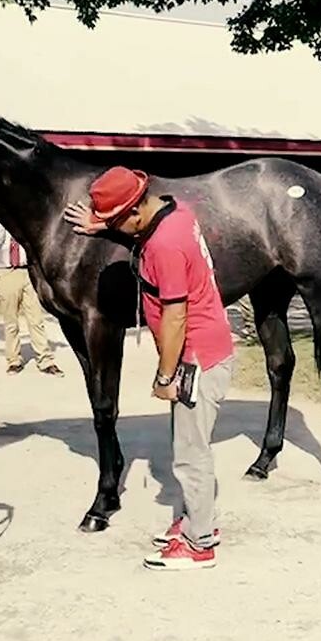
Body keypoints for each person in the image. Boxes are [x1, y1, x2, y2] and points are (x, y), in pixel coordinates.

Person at [64, 166, 234, 571]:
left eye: (116, 220)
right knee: (189, 445)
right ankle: (199, 519)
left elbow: (175, 316)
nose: (114, 228)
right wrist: (103, 227)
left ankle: (199, 544)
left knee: (191, 454)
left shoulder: (164, 247)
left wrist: (164, 376)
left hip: (195, 356)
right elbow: (143, 231)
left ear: (135, 210)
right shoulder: (176, 212)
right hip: (207, 348)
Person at [0, 214, 64, 376]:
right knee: (11, 321)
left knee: (36, 319)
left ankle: (45, 359)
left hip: (28, 271)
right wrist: (7, 221)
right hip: (7, 271)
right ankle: (14, 360)